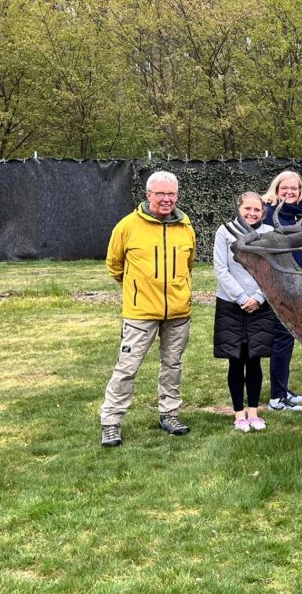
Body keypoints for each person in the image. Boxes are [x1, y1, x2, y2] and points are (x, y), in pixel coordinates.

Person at [100, 171, 196, 447]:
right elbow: (114, 265)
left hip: (178, 313)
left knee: (172, 365)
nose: (166, 199)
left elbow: (189, 264)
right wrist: (136, 290)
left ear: (177, 196)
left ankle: (170, 414)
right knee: (127, 368)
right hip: (140, 315)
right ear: (148, 195)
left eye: (171, 194)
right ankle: (110, 422)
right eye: (160, 194)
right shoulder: (128, 226)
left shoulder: (185, 226)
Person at [214, 192, 276, 433]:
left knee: (255, 359)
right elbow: (220, 268)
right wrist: (241, 297)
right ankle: (239, 414)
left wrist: (259, 298)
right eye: (247, 209)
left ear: (263, 212)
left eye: (256, 210)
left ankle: (253, 411)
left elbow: (271, 269)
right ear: (239, 208)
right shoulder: (225, 231)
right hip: (231, 304)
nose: (252, 214)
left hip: (260, 304)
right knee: (235, 359)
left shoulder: (269, 233)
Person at [262, 170, 302, 412]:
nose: (290, 192)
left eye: (295, 188)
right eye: (285, 188)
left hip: (298, 285)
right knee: (281, 339)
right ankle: (277, 399)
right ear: (276, 189)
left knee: (287, 338)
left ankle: (282, 389)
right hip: (279, 286)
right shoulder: (269, 214)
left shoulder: (301, 215)